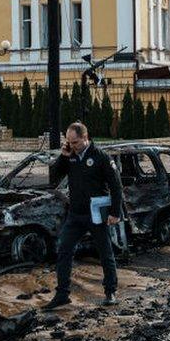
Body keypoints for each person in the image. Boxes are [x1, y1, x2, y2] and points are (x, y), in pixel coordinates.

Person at [43, 122, 123, 310]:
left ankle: (110, 291)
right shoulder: (70, 156)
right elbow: (53, 179)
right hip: (75, 214)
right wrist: (63, 157)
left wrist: (115, 212)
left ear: (86, 138)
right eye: (69, 142)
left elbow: (116, 185)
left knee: (105, 253)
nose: (73, 146)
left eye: (76, 142)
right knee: (64, 251)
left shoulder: (100, 157)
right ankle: (62, 294)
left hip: (96, 214)